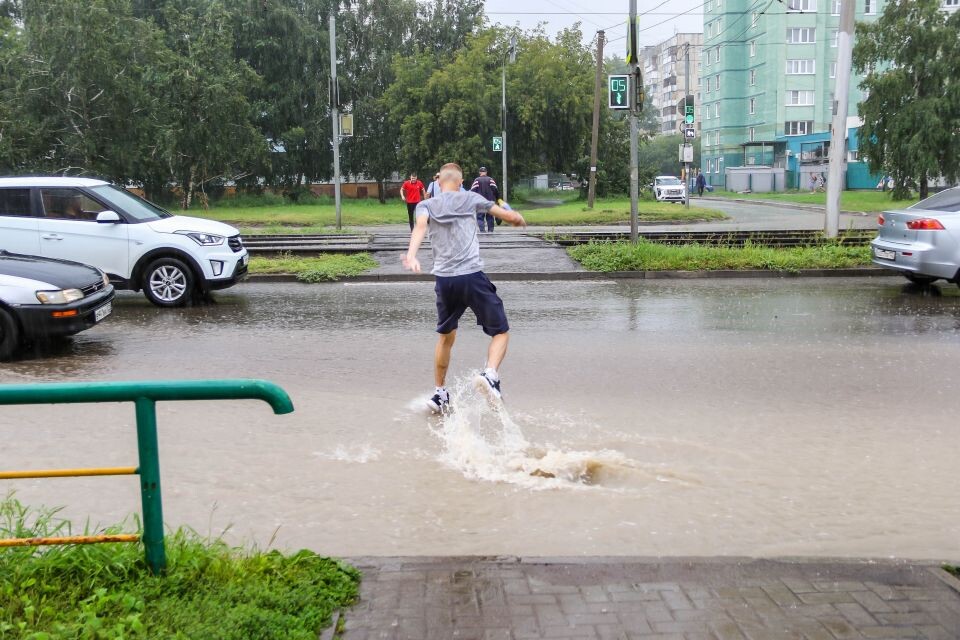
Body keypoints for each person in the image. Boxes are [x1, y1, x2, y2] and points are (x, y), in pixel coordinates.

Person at [402, 162, 526, 413]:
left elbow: (421, 227)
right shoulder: (471, 198)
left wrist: (412, 255)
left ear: (438, 183)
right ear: (460, 182)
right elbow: (510, 218)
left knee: (446, 338)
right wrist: (516, 216)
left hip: (445, 280)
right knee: (500, 332)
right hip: (471, 276)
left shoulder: (426, 205)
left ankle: (439, 394)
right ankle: (490, 374)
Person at [469, 166, 500, 233]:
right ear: (486, 172)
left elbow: (472, 191)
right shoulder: (490, 180)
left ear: (480, 172)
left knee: (480, 217)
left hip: (480, 202)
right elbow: (495, 190)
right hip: (490, 201)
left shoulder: (477, 180)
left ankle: (482, 231)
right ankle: (490, 231)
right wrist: (497, 198)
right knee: (490, 217)